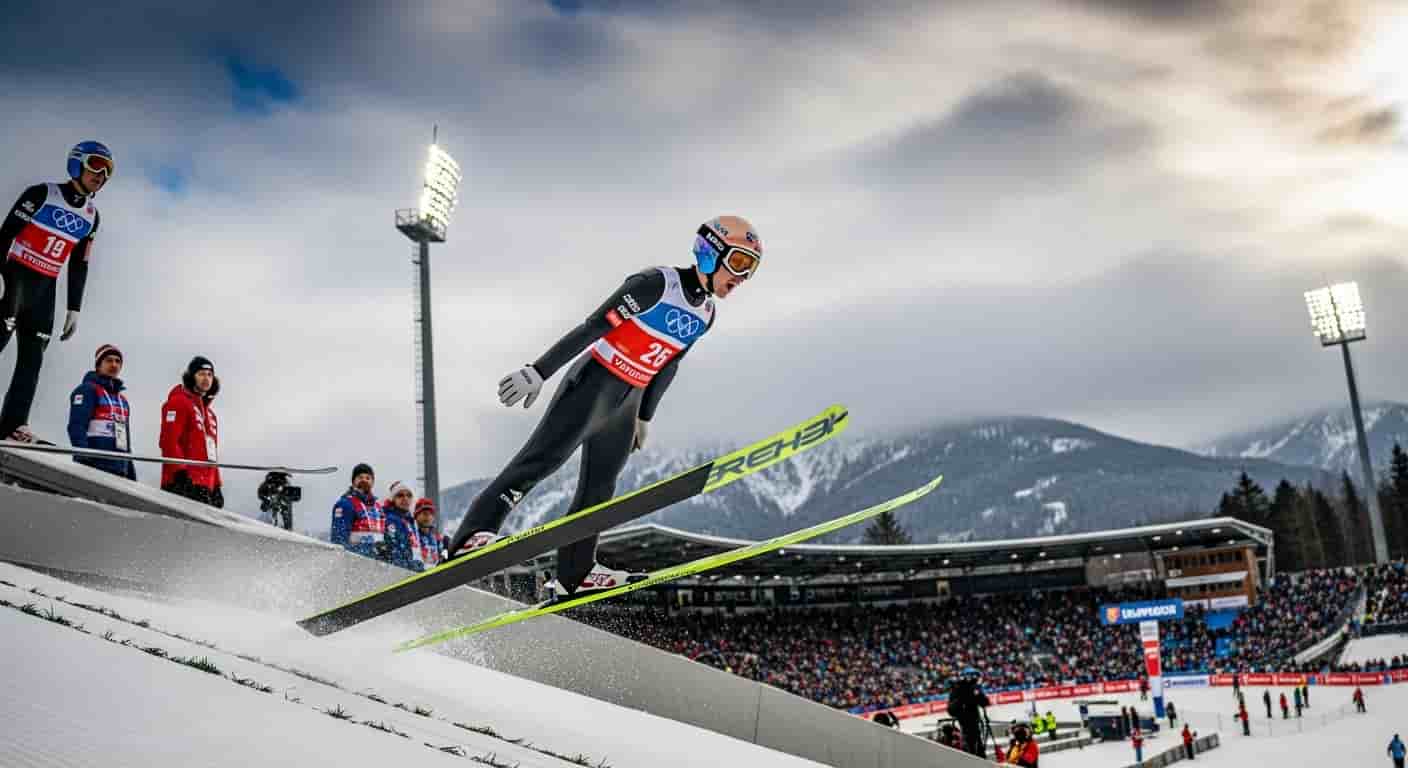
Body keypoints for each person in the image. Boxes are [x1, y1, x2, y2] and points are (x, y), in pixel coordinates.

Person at [445, 215, 762, 599]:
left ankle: (574, 574)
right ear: (711, 254)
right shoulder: (656, 284)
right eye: (741, 263)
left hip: (627, 402)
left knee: (600, 488)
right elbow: (594, 326)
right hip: (595, 383)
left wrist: (645, 416)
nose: (743, 277)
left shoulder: (706, 314)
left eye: (752, 269)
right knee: (541, 461)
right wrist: (539, 371)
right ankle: (469, 536)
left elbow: (668, 364)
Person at [0, 141, 110, 442]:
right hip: (16, 277)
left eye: (107, 170)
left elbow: (79, 264)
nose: (100, 174)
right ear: (77, 164)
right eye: (95, 165)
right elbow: (5, 234)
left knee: (33, 358)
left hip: (45, 288)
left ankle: (11, 425)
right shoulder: (42, 193)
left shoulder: (91, 216)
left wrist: (74, 307)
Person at [158, 356, 222, 507]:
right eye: (201, 374)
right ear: (191, 377)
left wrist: (217, 485)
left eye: (209, 374)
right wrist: (180, 474)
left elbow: (212, 452)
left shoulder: (211, 415)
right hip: (183, 483)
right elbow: (168, 441)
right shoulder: (178, 402)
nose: (206, 378)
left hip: (206, 486)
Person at [65, 344, 134, 480]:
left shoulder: (123, 401)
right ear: (98, 365)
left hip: (120, 469)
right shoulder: (87, 390)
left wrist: (131, 473)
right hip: (94, 467)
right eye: (109, 360)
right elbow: (76, 426)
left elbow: (126, 440)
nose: (114, 365)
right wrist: (84, 458)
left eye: (117, 361)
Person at [330, 463, 383, 559]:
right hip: (356, 561)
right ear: (353, 481)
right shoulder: (346, 504)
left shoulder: (378, 507)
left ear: (373, 482)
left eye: (368, 478)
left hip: (377, 563)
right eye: (360, 477)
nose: (364, 480)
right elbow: (338, 540)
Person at [382, 481, 425, 572]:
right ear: (393, 499)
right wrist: (408, 566)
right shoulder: (391, 519)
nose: (405, 498)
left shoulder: (410, 521)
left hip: (412, 569)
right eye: (400, 495)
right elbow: (393, 549)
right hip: (400, 571)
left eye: (409, 495)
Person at [414, 496, 447, 569]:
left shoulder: (438, 538)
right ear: (416, 516)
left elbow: (443, 559)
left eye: (431, 514)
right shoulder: (413, 536)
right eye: (424, 513)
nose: (428, 517)